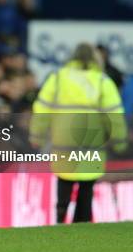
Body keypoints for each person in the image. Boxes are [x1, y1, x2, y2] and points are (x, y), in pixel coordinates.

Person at [31, 43, 127, 223]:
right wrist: (119, 140)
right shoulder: (102, 81)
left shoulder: (58, 78)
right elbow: (114, 115)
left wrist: (37, 135)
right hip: (91, 142)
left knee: (64, 180)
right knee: (86, 187)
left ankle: (60, 217)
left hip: (63, 141)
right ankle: (82, 222)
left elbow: (42, 108)